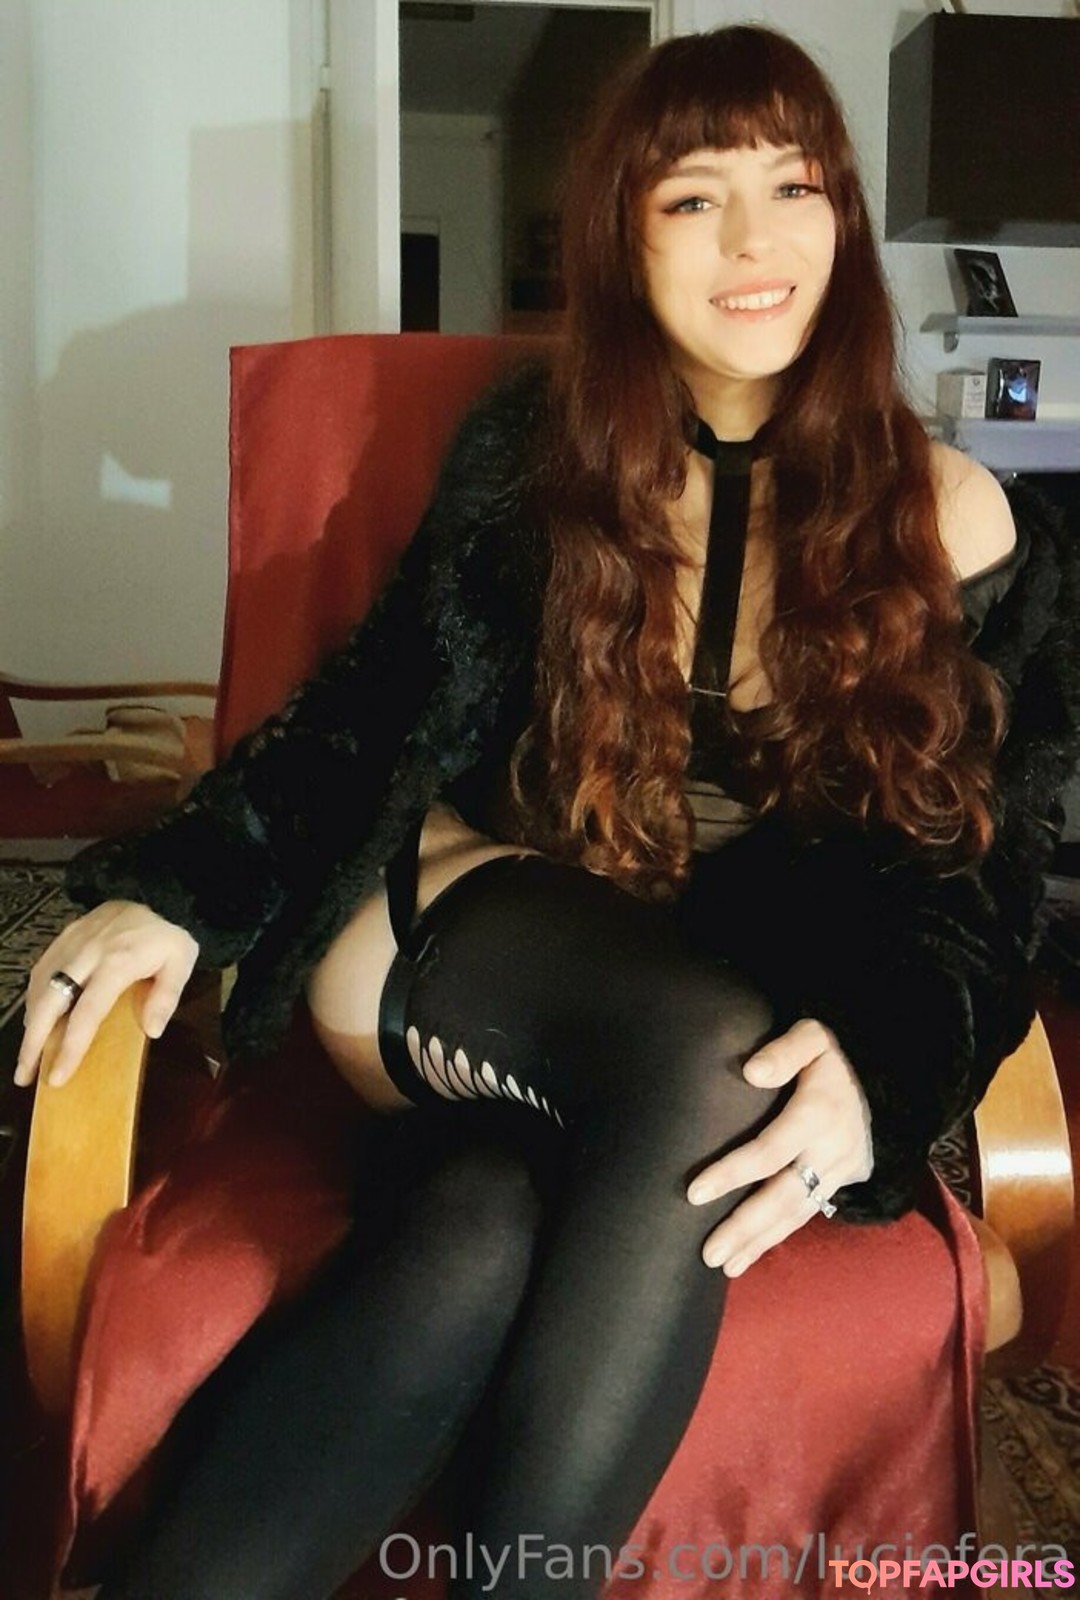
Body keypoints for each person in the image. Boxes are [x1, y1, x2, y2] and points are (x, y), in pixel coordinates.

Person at [15, 24, 1078, 1600]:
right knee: (709, 1058)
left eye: (793, 187)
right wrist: (180, 887)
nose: (753, 242)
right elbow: (370, 711)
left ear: (843, 222)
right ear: (621, 239)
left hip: (650, 1036)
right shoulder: (542, 456)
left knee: (475, 1231)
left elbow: (986, 878)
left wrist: (885, 1064)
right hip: (454, 932)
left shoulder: (970, 524)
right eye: (692, 199)